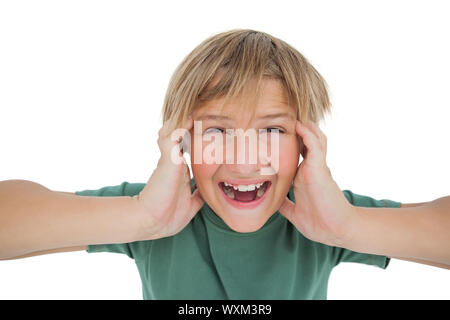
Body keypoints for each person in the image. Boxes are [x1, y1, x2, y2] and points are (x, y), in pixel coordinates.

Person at [0, 29, 449, 299]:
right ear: (183, 143)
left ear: (305, 145)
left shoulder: (324, 215)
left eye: (272, 132)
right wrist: (139, 217)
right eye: (216, 133)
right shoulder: (153, 212)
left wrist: (346, 227)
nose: (244, 159)